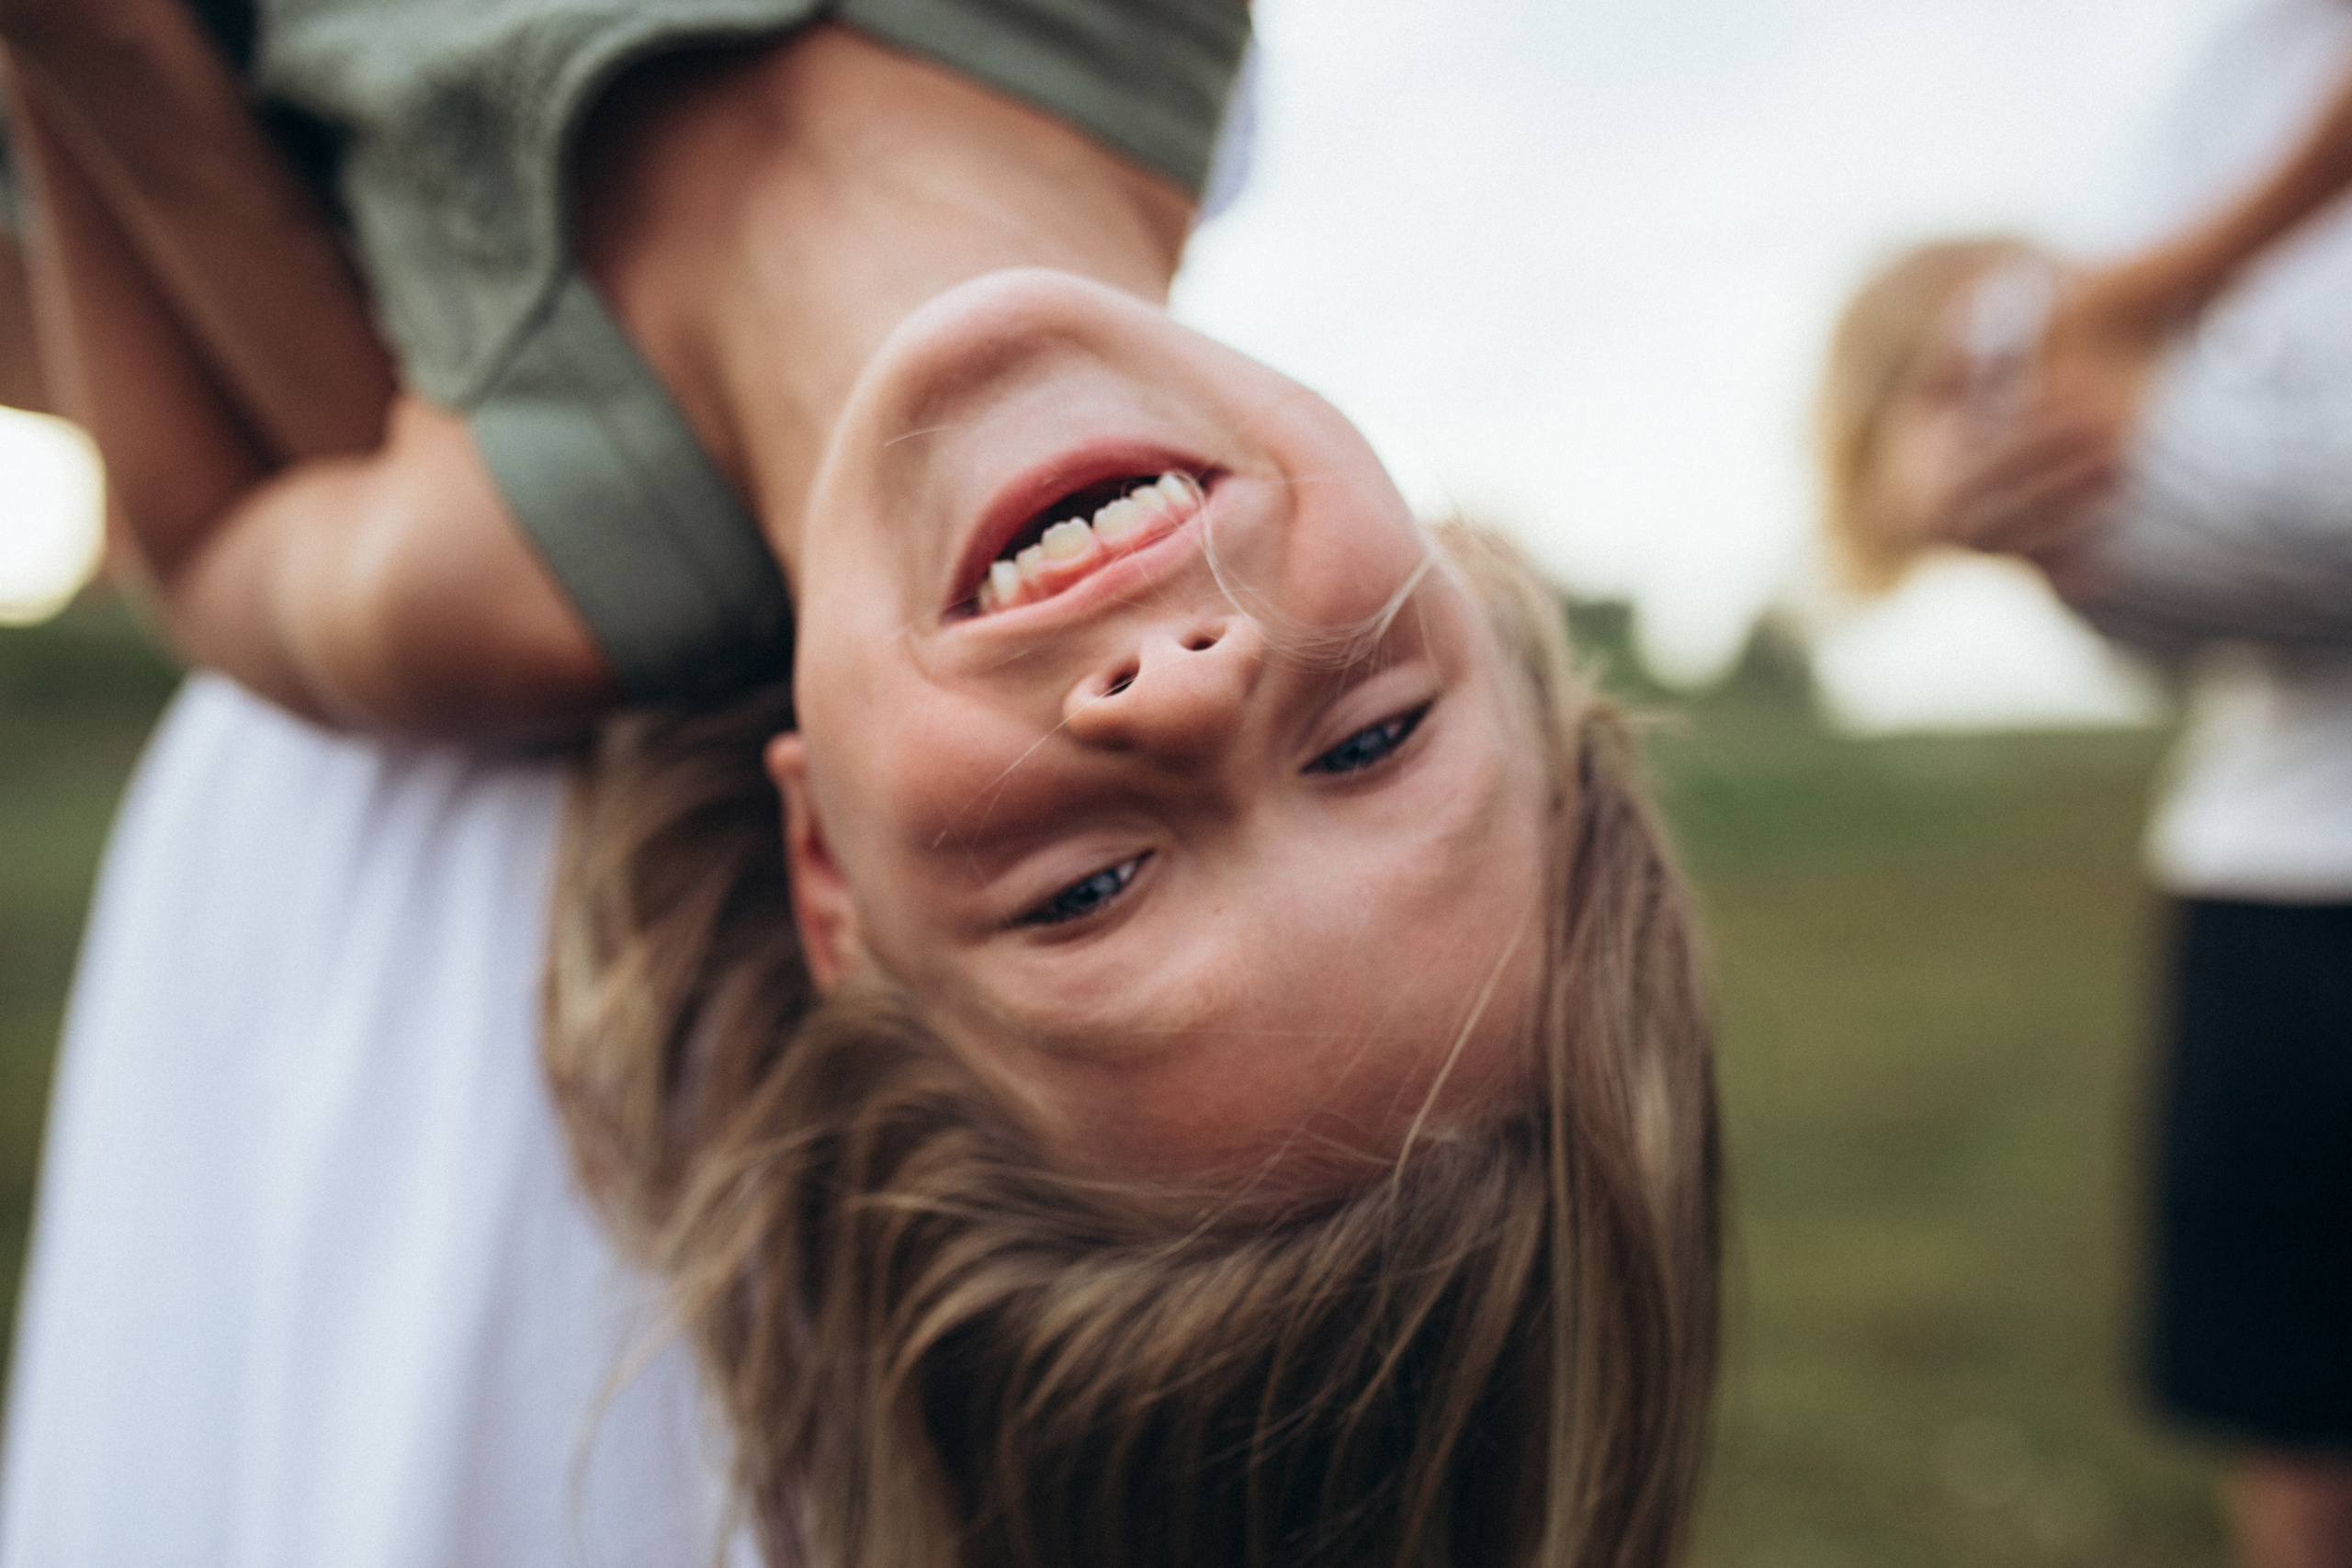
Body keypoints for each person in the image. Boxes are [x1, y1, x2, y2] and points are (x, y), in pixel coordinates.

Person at [6, 4, 1724, 1564]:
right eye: (1371, 745)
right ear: (1490, 606)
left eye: (1090, 890)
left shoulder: (519, 565)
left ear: (828, 875)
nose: (1192, 703)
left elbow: (209, 533)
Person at [1817, 6, 2352, 1562]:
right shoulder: (2223, 84)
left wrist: (2124, 316)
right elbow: (2047, 459)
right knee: (2300, 1413)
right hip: (2272, 888)